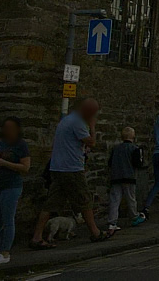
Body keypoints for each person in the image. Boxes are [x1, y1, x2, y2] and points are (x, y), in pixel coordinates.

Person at [30, 98, 111, 249]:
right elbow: (91, 142)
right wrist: (93, 127)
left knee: (51, 203)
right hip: (71, 168)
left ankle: (37, 236)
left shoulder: (66, 120)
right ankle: (95, 232)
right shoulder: (77, 122)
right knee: (84, 199)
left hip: (58, 167)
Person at [0, 117, 30, 265]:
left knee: (7, 218)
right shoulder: (1, 143)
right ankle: (0, 250)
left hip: (11, 185)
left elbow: (25, 167)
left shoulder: (21, 145)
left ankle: (6, 252)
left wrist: (5, 163)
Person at [107, 127, 144, 232]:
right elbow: (138, 164)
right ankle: (134, 216)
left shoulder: (115, 149)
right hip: (129, 177)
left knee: (114, 200)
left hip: (115, 177)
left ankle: (112, 222)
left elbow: (110, 163)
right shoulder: (135, 149)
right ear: (133, 136)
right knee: (131, 198)